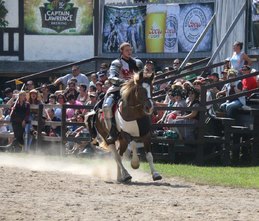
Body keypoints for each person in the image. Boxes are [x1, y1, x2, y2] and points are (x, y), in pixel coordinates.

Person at [103, 42, 143, 144]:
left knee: (148, 102)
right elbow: (112, 77)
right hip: (119, 89)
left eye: (130, 50)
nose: (129, 52)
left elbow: (142, 76)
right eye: (127, 50)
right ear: (121, 51)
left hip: (134, 90)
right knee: (107, 106)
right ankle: (112, 131)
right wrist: (125, 82)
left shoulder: (137, 63)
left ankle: (148, 128)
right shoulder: (116, 63)